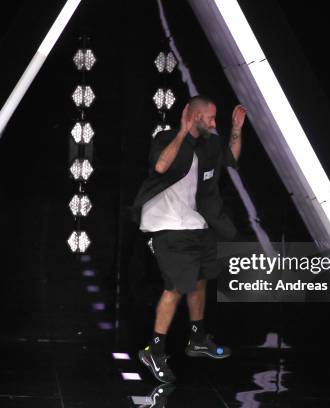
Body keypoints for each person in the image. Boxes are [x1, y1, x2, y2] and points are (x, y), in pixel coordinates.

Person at [131, 95, 247, 383]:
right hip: (166, 221)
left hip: (194, 221)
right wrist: (182, 131)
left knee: (201, 277)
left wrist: (236, 130)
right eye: (210, 118)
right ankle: (154, 350)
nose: (213, 122)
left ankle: (197, 338)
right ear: (194, 117)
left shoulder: (209, 144)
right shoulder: (167, 137)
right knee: (177, 286)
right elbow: (160, 166)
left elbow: (231, 159)